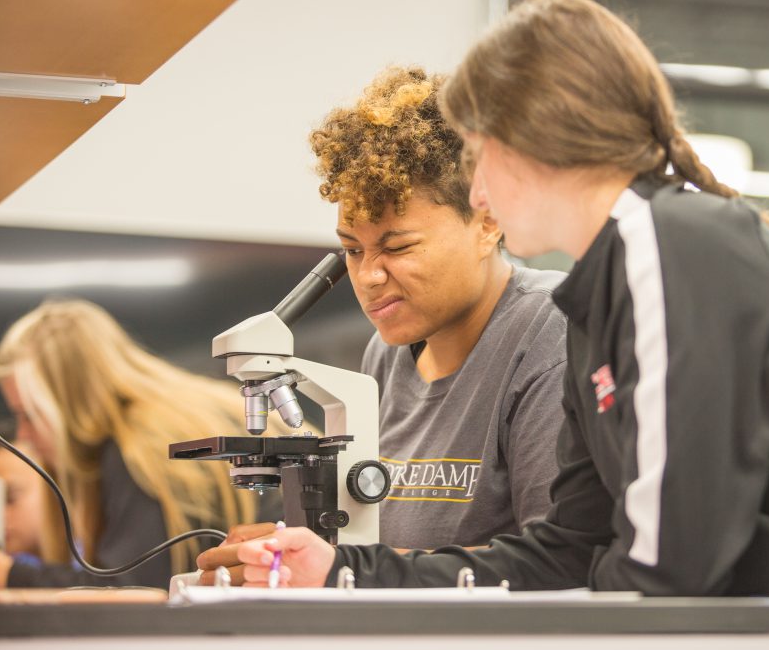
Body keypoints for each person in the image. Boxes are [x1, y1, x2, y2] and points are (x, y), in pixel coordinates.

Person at [235, 0, 769, 650]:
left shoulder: (669, 243)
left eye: (478, 154)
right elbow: (570, 551)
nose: (475, 192)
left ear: (534, 140)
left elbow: (668, 568)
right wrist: (345, 571)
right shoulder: (596, 302)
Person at [195, 67, 566, 579]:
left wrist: (349, 570)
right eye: (351, 250)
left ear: (487, 223)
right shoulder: (386, 355)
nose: (368, 276)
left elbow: (559, 564)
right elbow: (378, 544)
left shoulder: (552, 334)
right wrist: (299, 551)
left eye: (397, 247)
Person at [0, 299, 283, 589]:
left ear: (67, 405)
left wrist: (10, 574)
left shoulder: (142, 444)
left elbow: (130, 590)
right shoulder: (172, 416)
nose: (23, 434)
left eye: (29, 416)